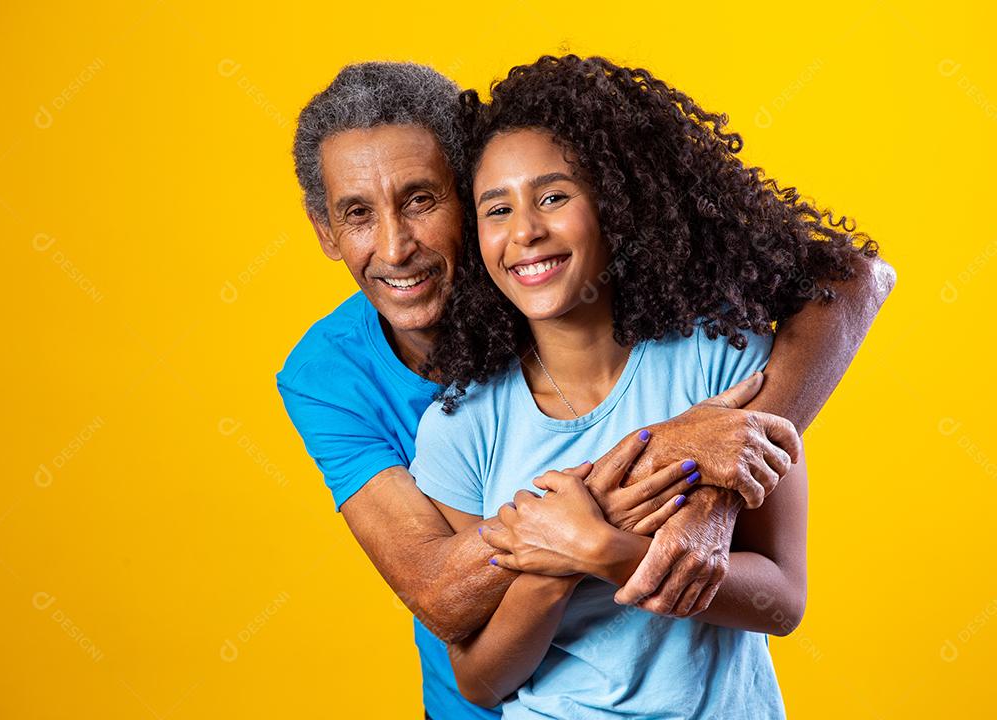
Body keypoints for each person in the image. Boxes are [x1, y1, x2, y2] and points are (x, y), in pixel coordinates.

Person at [277, 61, 895, 719]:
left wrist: (718, 490)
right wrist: (658, 461)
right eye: (358, 213)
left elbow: (854, 280)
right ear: (325, 230)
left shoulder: (700, 347)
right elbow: (442, 601)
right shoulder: (376, 394)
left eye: (421, 200)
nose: (397, 247)